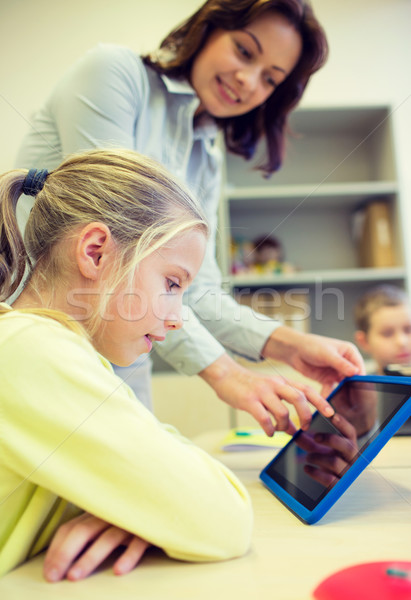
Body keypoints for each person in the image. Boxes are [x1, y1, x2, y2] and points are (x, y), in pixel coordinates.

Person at [14, 0, 364, 435]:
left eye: (270, 79)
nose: (248, 80)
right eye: (244, 51)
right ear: (209, 28)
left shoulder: (206, 155)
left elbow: (198, 290)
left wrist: (290, 345)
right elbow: (127, 256)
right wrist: (225, 374)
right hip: (39, 340)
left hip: (117, 360)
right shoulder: (113, 74)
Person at [0, 148, 262, 581]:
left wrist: (139, 510)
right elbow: (226, 521)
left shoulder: (58, 351)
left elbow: (163, 451)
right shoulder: (33, 352)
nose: (177, 317)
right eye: (172, 283)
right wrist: (160, 509)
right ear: (96, 252)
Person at [354, 284, 411, 375]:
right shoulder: (361, 388)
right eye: (387, 334)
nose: (401, 342)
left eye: (408, 330)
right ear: (364, 341)